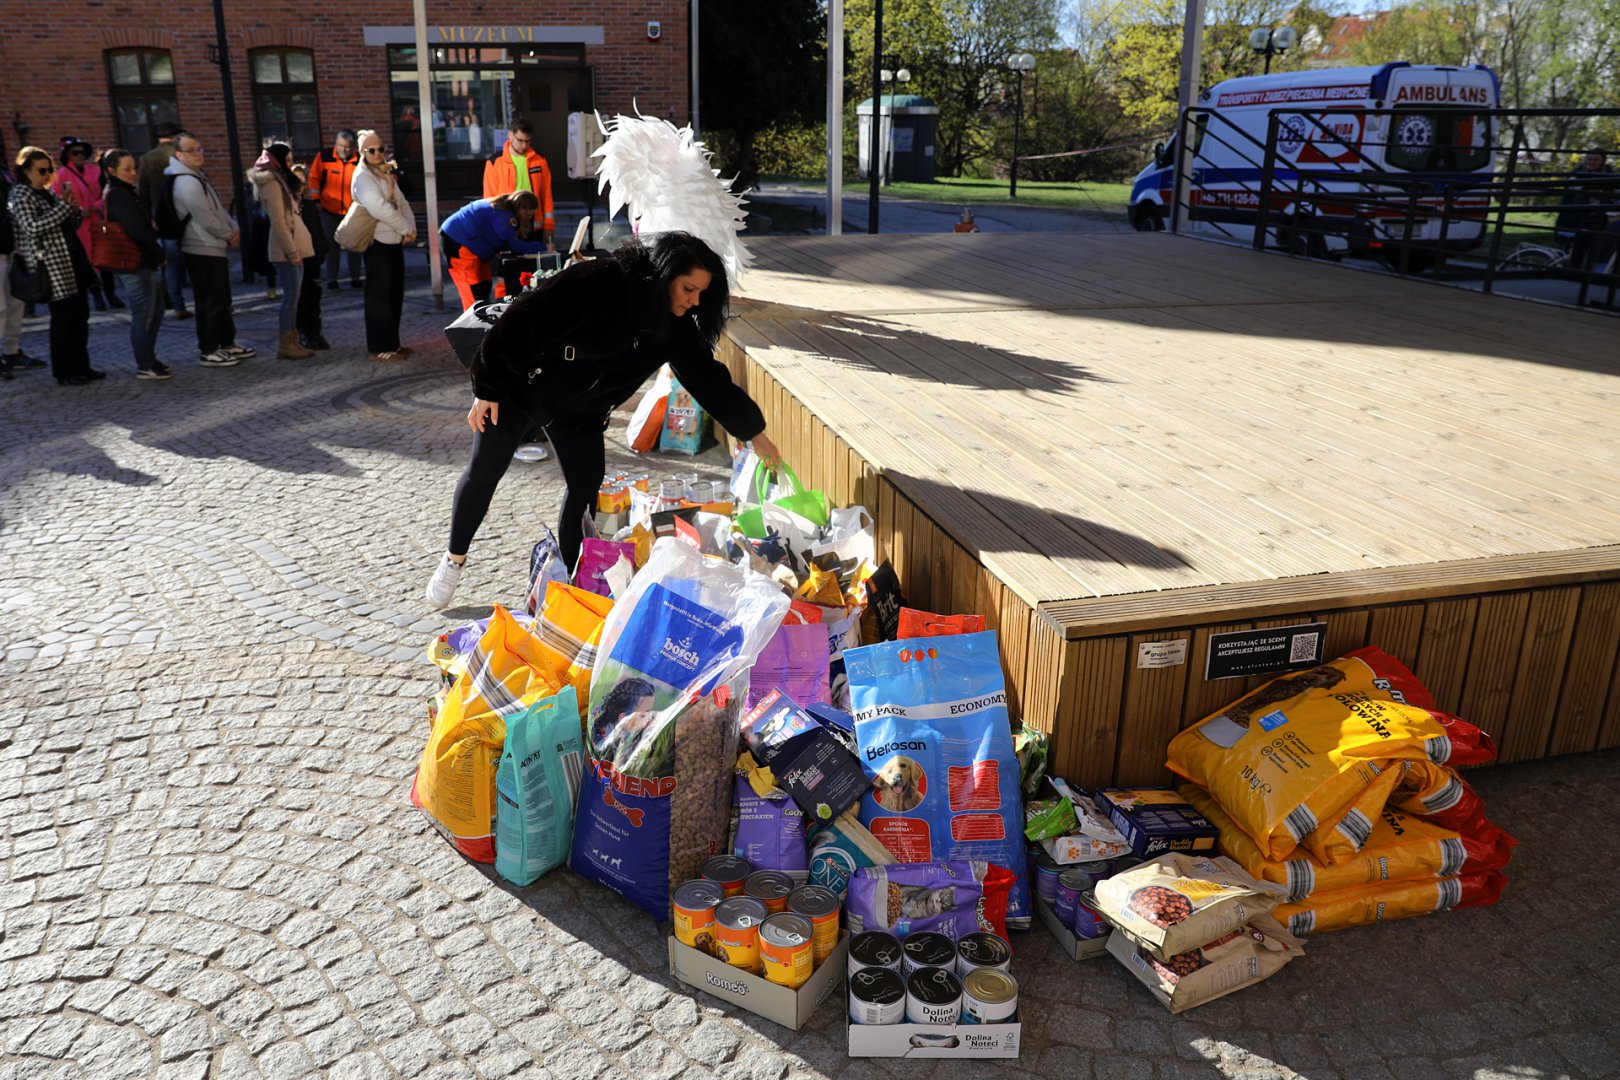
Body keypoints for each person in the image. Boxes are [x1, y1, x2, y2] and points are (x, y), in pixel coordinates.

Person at [423, 231, 782, 608]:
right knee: (484, 471)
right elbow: (520, 322)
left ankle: (573, 580)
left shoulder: (674, 326)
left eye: (701, 295)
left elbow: (708, 379)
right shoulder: (598, 281)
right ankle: (453, 559)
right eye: (688, 289)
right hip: (522, 390)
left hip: (582, 412)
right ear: (664, 274)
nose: (694, 303)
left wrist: (755, 435)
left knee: (584, 487)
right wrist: (488, 387)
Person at [8, 146, 100, 385]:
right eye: (41, 170)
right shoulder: (20, 194)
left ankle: (83, 366)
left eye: (49, 170)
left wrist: (73, 209)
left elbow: (68, 223)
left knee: (81, 316)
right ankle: (65, 372)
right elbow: (32, 227)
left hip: (72, 261)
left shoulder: (49, 193)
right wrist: (62, 208)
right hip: (51, 265)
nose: (47, 174)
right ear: (26, 171)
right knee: (63, 320)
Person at [165, 131, 255, 368]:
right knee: (210, 301)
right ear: (179, 155)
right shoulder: (186, 181)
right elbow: (204, 217)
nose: (197, 154)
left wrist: (232, 227)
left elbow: (218, 210)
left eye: (199, 148)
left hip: (212, 246)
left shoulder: (196, 176)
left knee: (222, 299)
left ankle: (226, 343)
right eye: (191, 150)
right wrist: (228, 234)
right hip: (200, 247)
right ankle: (209, 348)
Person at [100, 148, 171, 379]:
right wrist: (158, 252)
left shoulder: (126, 191)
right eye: (127, 169)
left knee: (156, 311)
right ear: (111, 171)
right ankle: (145, 363)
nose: (133, 173)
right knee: (144, 313)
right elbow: (136, 229)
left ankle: (149, 358)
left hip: (143, 260)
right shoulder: (119, 193)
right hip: (134, 262)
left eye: (134, 168)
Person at [350, 130, 416, 362]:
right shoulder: (362, 177)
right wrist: (405, 229)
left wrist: (411, 228)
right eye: (371, 150)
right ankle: (379, 348)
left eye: (380, 149)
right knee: (379, 297)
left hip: (394, 240)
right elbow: (380, 208)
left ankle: (392, 344)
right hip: (377, 242)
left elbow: (401, 202)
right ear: (362, 152)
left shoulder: (384, 172)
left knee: (394, 294)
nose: (378, 153)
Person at [249, 143, 316, 359]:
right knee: (291, 298)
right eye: (287, 160)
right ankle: (286, 343)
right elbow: (278, 222)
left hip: (294, 245)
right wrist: (292, 252)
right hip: (286, 250)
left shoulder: (281, 181)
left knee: (294, 298)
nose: (290, 164)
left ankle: (292, 340)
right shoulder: (273, 184)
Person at [439, 191, 548, 309]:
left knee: (484, 287)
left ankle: (482, 322)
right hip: (458, 243)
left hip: (473, 246)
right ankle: (473, 324)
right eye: (529, 215)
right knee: (474, 294)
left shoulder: (502, 207)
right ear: (522, 209)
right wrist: (545, 248)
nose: (530, 218)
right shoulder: (503, 215)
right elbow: (513, 245)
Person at [53, 136, 119, 311]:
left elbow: (106, 192)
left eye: (82, 152)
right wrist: (79, 209)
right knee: (89, 260)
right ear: (67, 155)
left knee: (105, 258)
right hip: (80, 224)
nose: (80, 156)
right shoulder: (62, 174)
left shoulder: (95, 170)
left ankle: (111, 294)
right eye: (75, 153)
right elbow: (59, 198)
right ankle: (97, 296)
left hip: (98, 220)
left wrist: (95, 206)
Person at [138, 122, 190, 320]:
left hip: (161, 217)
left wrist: (149, 218)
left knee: (170, 262)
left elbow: (142, 192)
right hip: (185, 214)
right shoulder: (181, 154)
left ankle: (176, 303)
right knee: (196, 257)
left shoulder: (147, 158)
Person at [0, 159, 46, 374]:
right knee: (0, 308)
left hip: (8, 247)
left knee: (15, 303)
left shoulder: (3, 172)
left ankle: (12, 352)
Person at [481, 118, 555, 248]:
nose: (524, 145)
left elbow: (546, 194)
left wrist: (549, 225)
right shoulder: (494, 163)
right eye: (520, 140)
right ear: (510, 135)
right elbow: (489, 199)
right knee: (511, 263)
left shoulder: (539, 160)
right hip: (507, 222)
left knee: (535, 263)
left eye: (528, 141)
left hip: (534, 223)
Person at [307, 130, 362, 290]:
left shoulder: (359, 160)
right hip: (329, 209)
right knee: (331, 246)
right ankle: (332, 278)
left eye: (347, 147)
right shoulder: (324, 157)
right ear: (335, 143)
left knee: (354, 245)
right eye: (340, 145)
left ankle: (355, 277)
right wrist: (316, 201)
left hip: (353, 210)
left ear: (353, 147)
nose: (343, 150)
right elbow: (314, 178)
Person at [289, 163, 331, 350]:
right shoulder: (288, 205)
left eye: (304, 183)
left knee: (313, 298)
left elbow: (318, 230)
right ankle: (302, 333)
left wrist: (322, 249)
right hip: (298, 257)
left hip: (313, 257)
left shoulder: (308, 206)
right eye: (298, 182)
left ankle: (314, 332)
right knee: (300, 299)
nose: (302, 186)